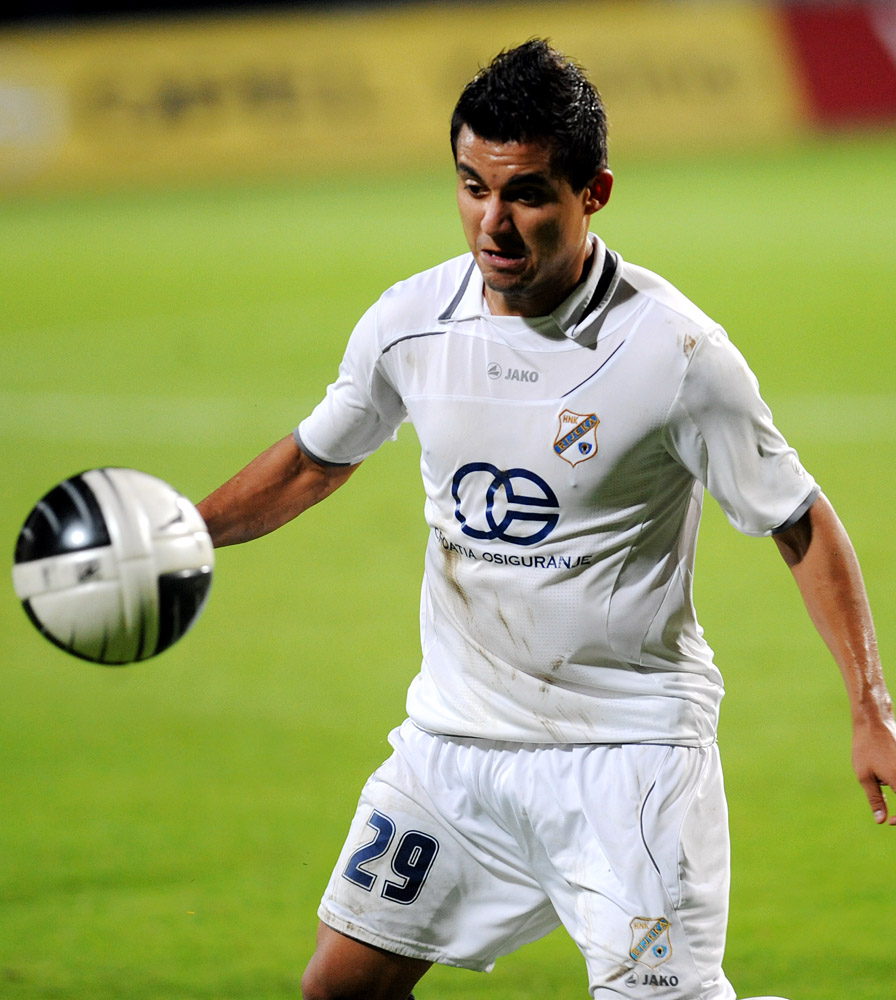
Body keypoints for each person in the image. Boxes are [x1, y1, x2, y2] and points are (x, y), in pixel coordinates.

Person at [196, 40, 896, 1000]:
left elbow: (799, 521)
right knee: (338, 989)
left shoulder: (675, 353)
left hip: (626, 757)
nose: (493, 222)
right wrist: (181, 535)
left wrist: (869, 707)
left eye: (526, 194)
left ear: (592, 193)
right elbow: (315, 460)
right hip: (455, 748)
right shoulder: (409, 324)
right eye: (472, 186)